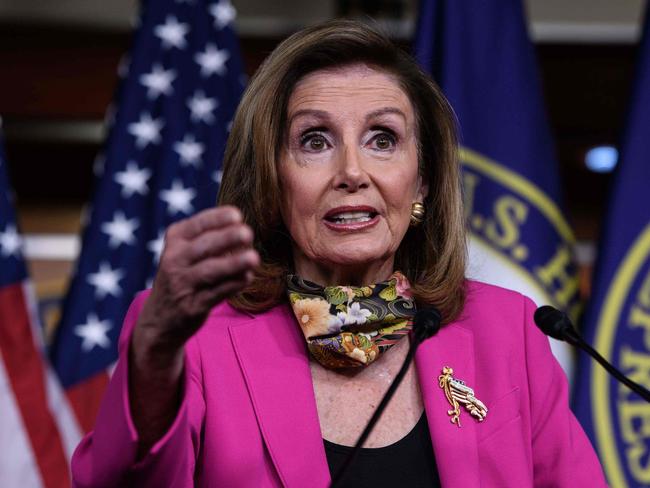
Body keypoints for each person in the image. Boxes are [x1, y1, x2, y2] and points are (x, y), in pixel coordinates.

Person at [71, 20, 607, 487]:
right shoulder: (193, 342)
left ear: (421, 182)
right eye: (315, 141)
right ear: (272, 183)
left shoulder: (506, 330)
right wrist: (157, 350)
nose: (352, 173)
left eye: (382, 138)